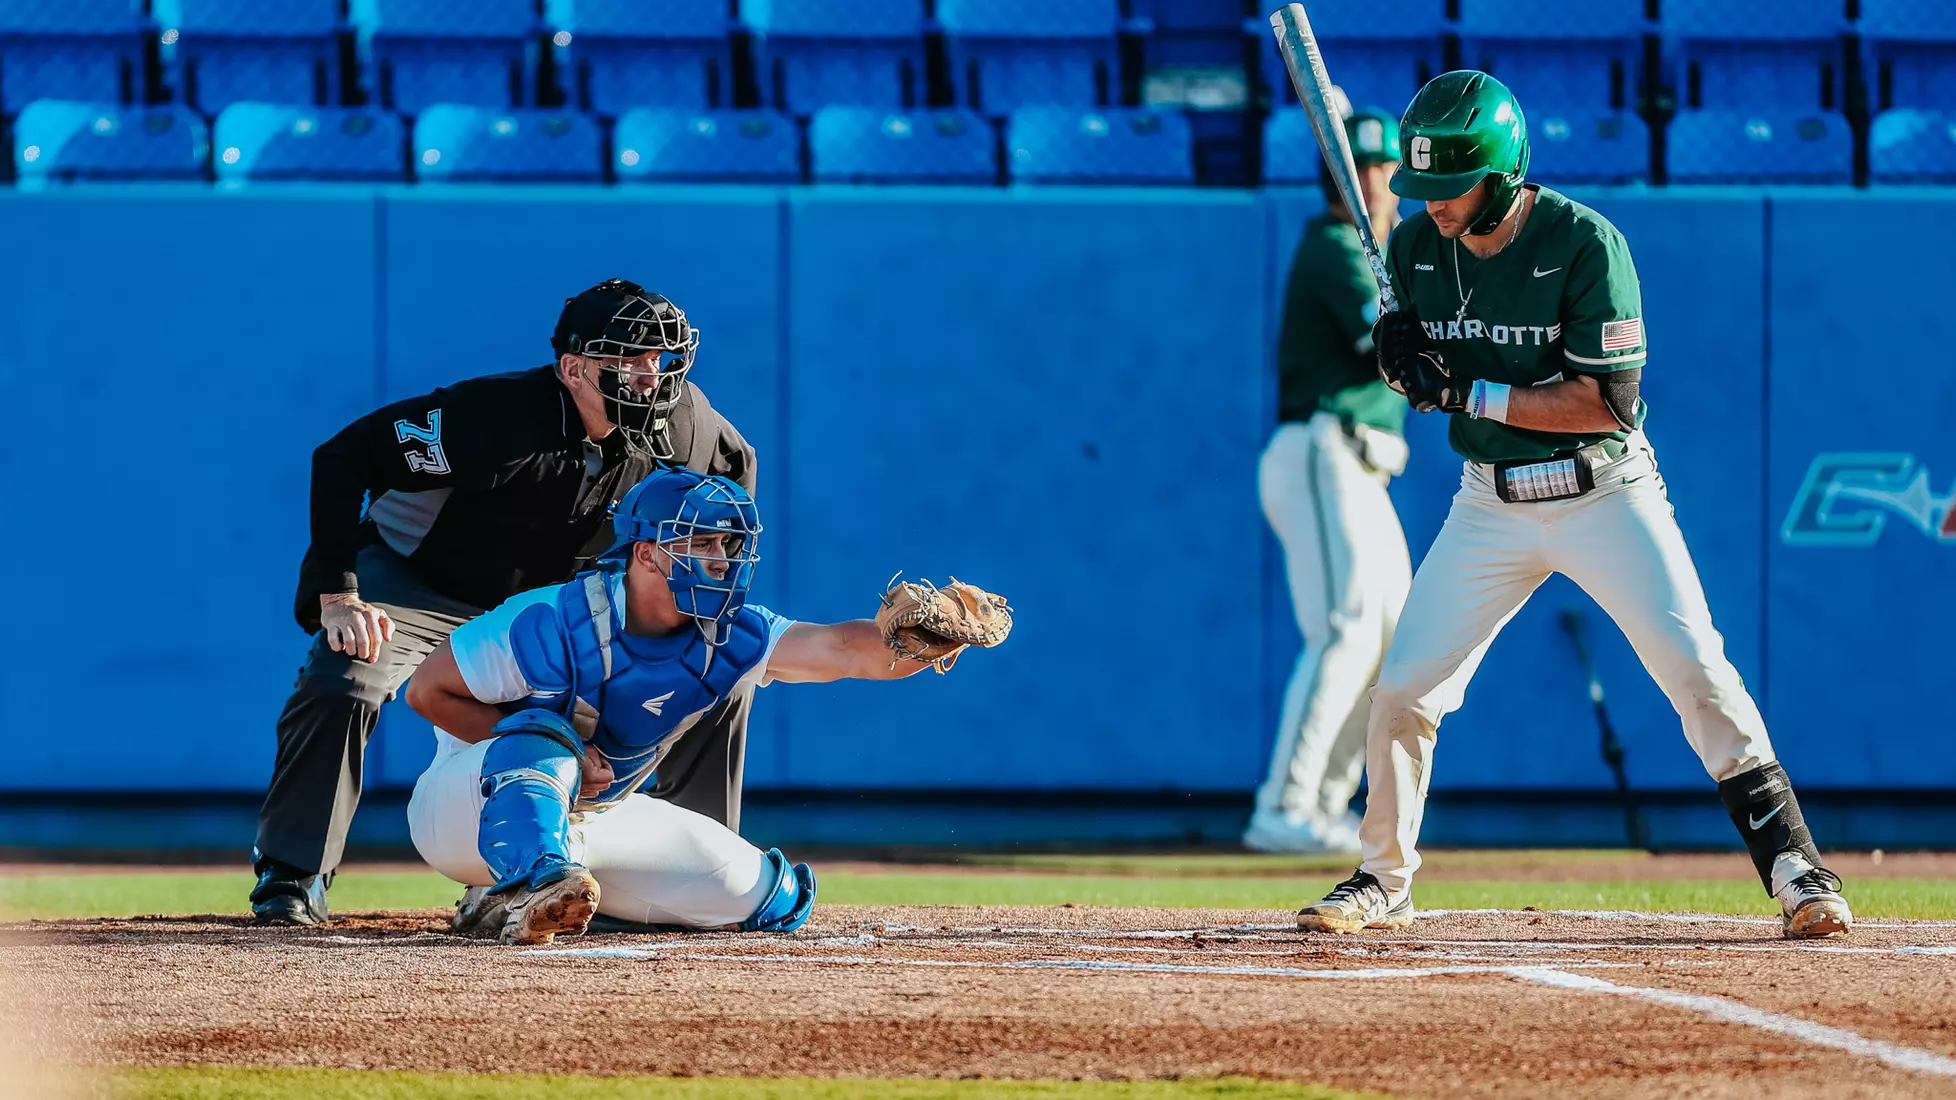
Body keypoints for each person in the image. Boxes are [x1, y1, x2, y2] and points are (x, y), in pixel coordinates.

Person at [1293, 71, 1853, 939]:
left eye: (1452, 187)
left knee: (1694, 666)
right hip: (1490, 502)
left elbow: (1608, 402)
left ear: (1504, 174)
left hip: (1605, 489)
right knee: (1403, 689)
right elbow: (1418, 383)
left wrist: (1466, 393)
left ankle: (1796, 866)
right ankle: (1383, 878)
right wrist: (1400, 365)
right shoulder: (1410, 250)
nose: (1434, 204)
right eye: (1424, 187)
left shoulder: (1586, 243)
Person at [251, 278, 756, 926]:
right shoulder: (495, 421)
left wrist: (698, 605)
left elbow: (737, 469)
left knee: (716, 669)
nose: (649, 376)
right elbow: (346, 455)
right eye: (627, 359)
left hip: (554, 606)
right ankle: (293, 875)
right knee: (347, 674)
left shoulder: (686, 424)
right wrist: (337, 592)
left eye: (661, 359)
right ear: (573, 368)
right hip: (424, 586)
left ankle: (697, 880)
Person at [401, 466, 1010, 944]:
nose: (720, 556)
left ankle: (511, 896)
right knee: (543, 734)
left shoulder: (733, 632)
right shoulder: (549, 619)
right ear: (643, 553)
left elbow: (846, 650)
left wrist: (920, 643)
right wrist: (569, 751)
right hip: (466, 812)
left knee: (771, 899)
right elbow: (426, 692)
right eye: (700, 541)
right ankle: (526, 875)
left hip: (598, 816)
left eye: (728, 541)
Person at [1244, 106, 1414, 854]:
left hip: (1364, 467)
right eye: (1363, 166)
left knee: (1391, 637)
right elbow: (1391, 337)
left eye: (1384, 167)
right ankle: (1282, 807)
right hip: (1322, 449)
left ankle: (1321, 805)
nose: (1374, 179)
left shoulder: (1384, 245)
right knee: (1345, 628)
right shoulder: (1336, 244)